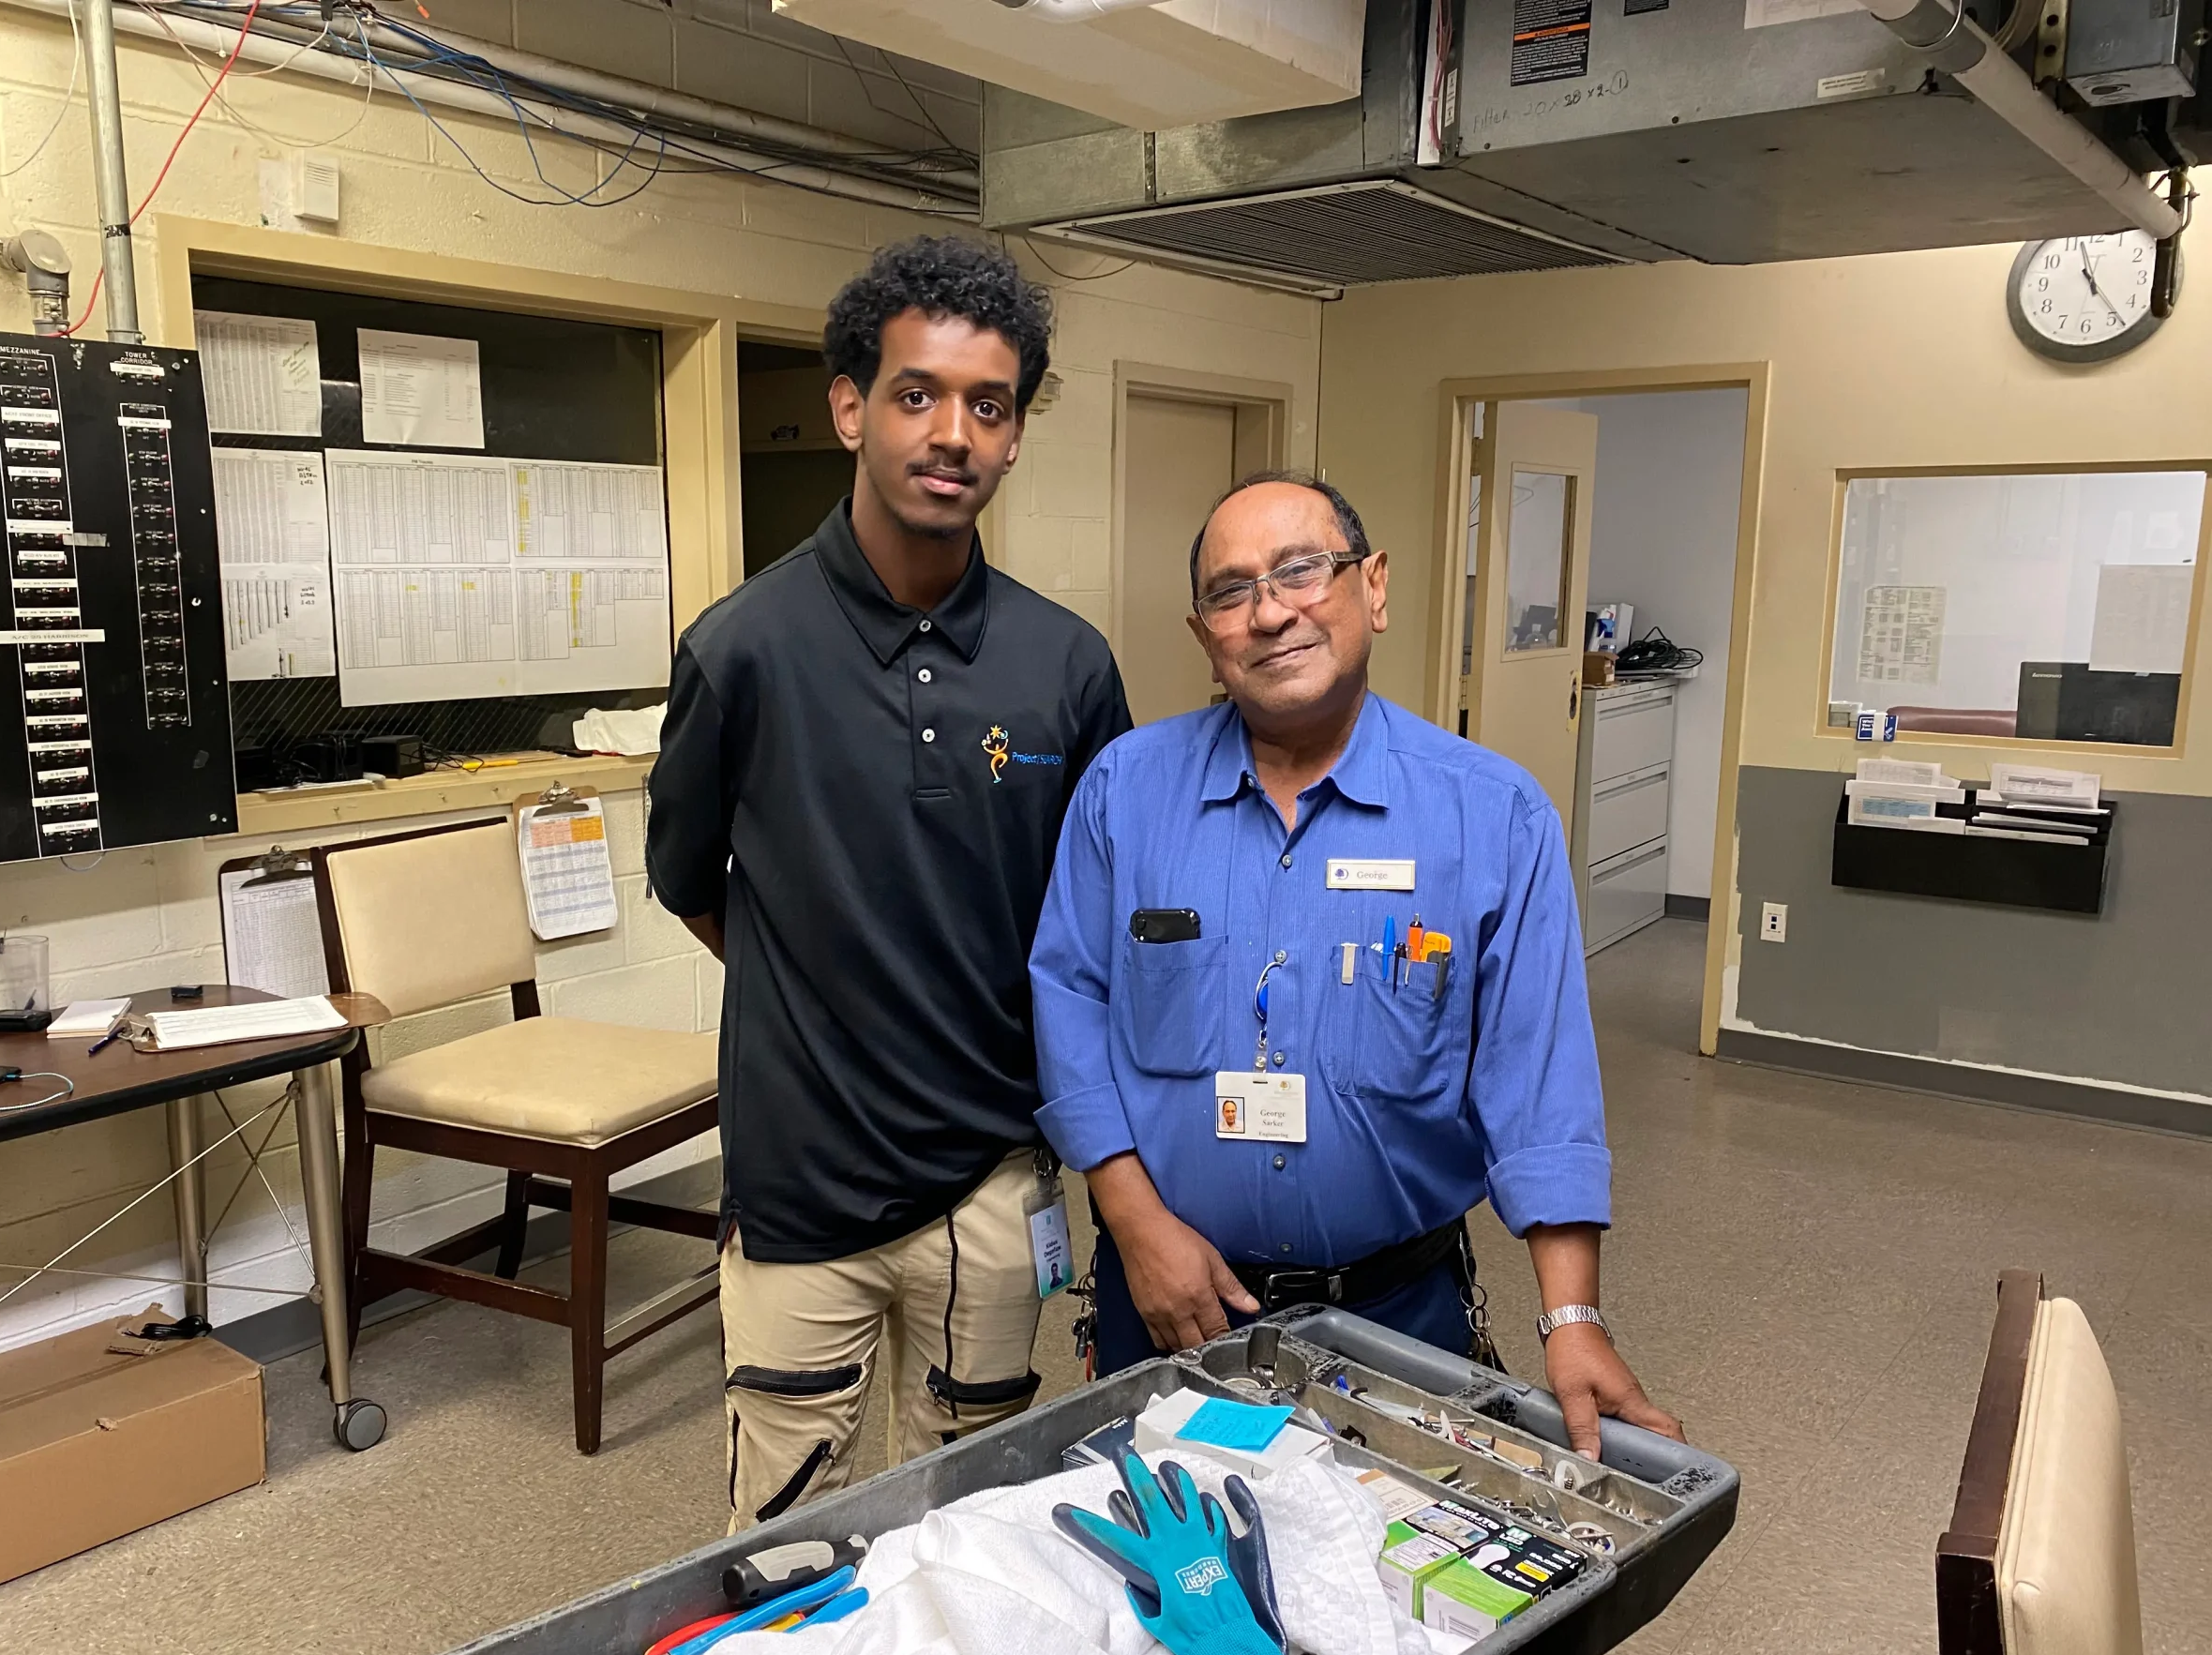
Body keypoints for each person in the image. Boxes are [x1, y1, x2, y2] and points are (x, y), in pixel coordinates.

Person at [1029, 472, 1680, 1458]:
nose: (1270, 611)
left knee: (1387, 1577)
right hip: (1168, 1301)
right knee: (1169, 1577)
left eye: (1301, 571)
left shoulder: (1492, 817)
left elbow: (1537, 1082)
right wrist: (1132, 1226)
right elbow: (1069, 1002)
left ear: (1371, 587)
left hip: (1396, 1315)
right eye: (1230, 591)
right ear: (1205, 634)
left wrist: (1571, 1318)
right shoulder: (1125, 792)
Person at [648, 237, 1131, 1531]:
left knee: (974, 1523)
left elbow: (1093, 924)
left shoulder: (1068, 669)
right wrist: (831, 1002)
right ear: (852, 407)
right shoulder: (742, 649)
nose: (952, 432)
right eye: (917, 394)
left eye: (989, 403)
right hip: (800, 1181)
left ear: (1016, 432)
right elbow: (695, 886)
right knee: (788, 1547)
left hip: (994, 1177)